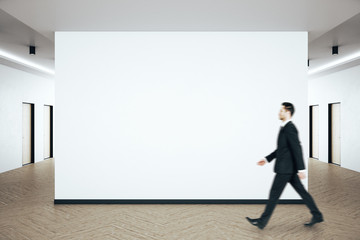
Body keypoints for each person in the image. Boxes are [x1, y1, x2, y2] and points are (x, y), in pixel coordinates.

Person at [246, 102, 323, 229]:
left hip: (285, 170)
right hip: (289, 169)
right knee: (302, 192)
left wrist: (301, 169)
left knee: (274, 194)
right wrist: (267, 159)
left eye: (281, 110)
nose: (279, 112)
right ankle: (317, 215)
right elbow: (281, 149)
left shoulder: (290, 128)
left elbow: (297, 149)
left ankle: (262, 221)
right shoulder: (284, 127)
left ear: (288, 112)